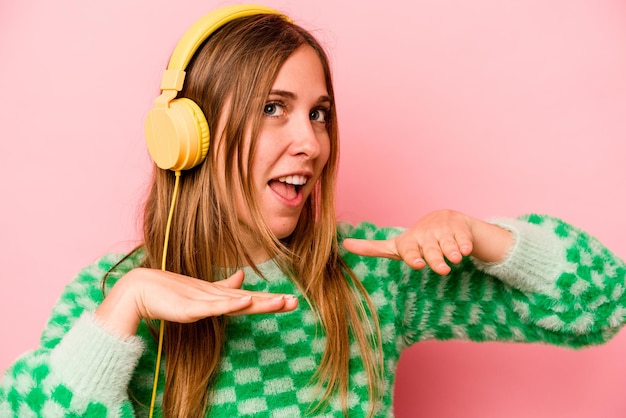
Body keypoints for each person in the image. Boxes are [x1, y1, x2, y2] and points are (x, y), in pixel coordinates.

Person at [1, 4, 625, 417]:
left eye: (318, 113)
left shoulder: (372, 273)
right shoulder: (111, 295)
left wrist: (483, 236)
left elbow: (602, 304)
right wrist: (121, 315)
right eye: (274, 107)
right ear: (190, 134)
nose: (311, 142)